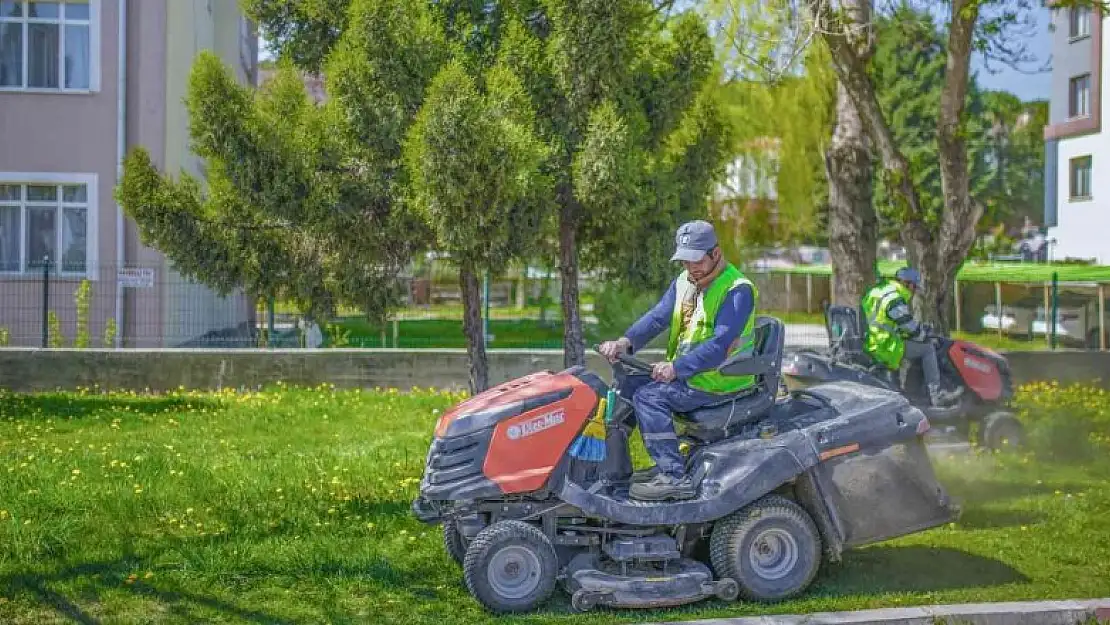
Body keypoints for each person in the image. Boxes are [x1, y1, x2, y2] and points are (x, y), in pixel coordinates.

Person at [598, 220, 758, 502]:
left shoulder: (737, 289)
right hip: (689, 375)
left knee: (649, 397)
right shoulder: (685, 281)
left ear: (716, 254)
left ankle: (674, 476)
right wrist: (626, 342)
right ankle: (615, 472)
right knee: (626, 385)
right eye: (684, 260)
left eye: (696, 260)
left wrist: (675, 368)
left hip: (717, 382)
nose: (690, 267)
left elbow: (720, 345)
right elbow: (658, 317)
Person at [861, 267, 961, 409]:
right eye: (914, 287)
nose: (913, 291)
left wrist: (913, 332)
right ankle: (936, 395)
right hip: (886, 346)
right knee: (927, 349)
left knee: (915, 346)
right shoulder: (895, 298)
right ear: (907, 283)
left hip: (873, 340)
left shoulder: (877, 292)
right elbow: (909, 326)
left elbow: (888, 323)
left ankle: (912, 392)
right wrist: (924, 335)